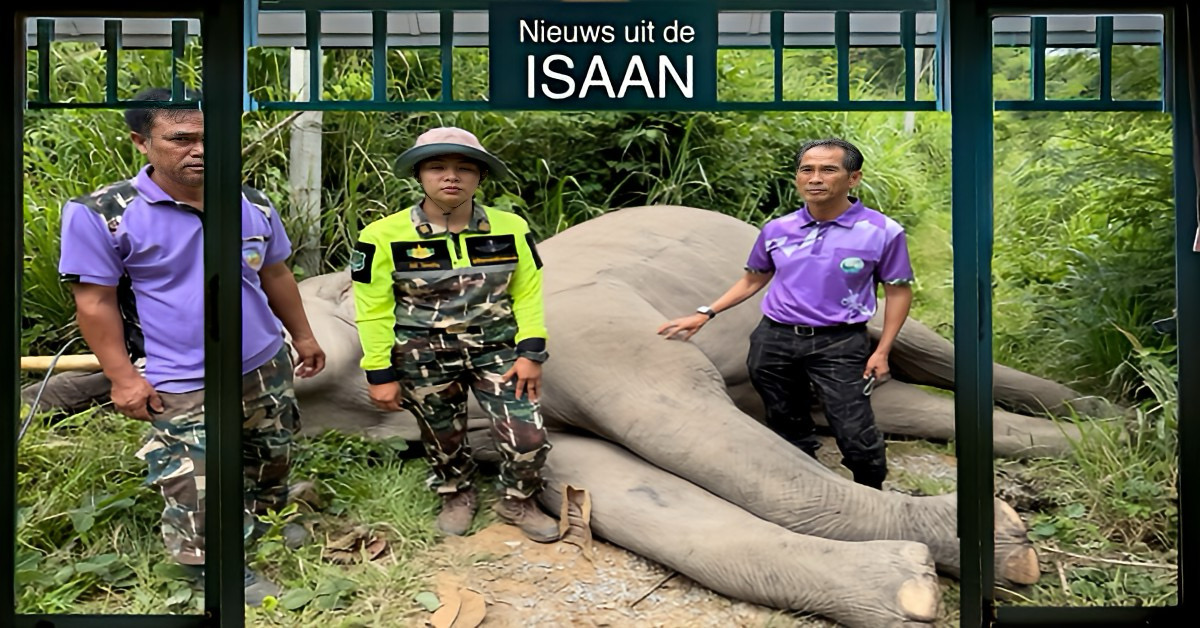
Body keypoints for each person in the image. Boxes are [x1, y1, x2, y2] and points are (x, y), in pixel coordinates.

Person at [58, 87, 326, 604]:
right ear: (141, 142)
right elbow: (94, 303)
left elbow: (274, 273)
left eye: (211, 137)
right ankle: (213, 565)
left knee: (270, 452)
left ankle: (265, 519)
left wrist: (304, 335)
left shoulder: (250, 202)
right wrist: (122, 378)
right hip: (179, 377)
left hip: (261, 361)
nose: (200, 150)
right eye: (181, 139)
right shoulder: (106, 213)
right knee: (196, 481)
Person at [658, 138, 914, 490]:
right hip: (774, 339)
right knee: (784, 419)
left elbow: (898, 291)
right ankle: (806, 484)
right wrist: (705, 313)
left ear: (853, 178)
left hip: (839, 343)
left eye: (828, 170)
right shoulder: (778, 230)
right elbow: (753, 279)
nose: (815, 178)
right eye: (806, 170)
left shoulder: (881, 232)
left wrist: (882, 349)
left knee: (853, 427)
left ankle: (871, 491)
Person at [351, 127, 559, 542]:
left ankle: (518, 499)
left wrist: (532, 351)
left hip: (497, 351)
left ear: (480, 177)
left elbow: (528, 291)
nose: (451, 176)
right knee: (442, 436)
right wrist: (379, 371)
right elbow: (372, 310)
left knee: (528, 437)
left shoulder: (511, 227)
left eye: (465, 168)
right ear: (419, 175)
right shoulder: (381, 236)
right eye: (437, 167)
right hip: (423, 357)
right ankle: (456, 493)